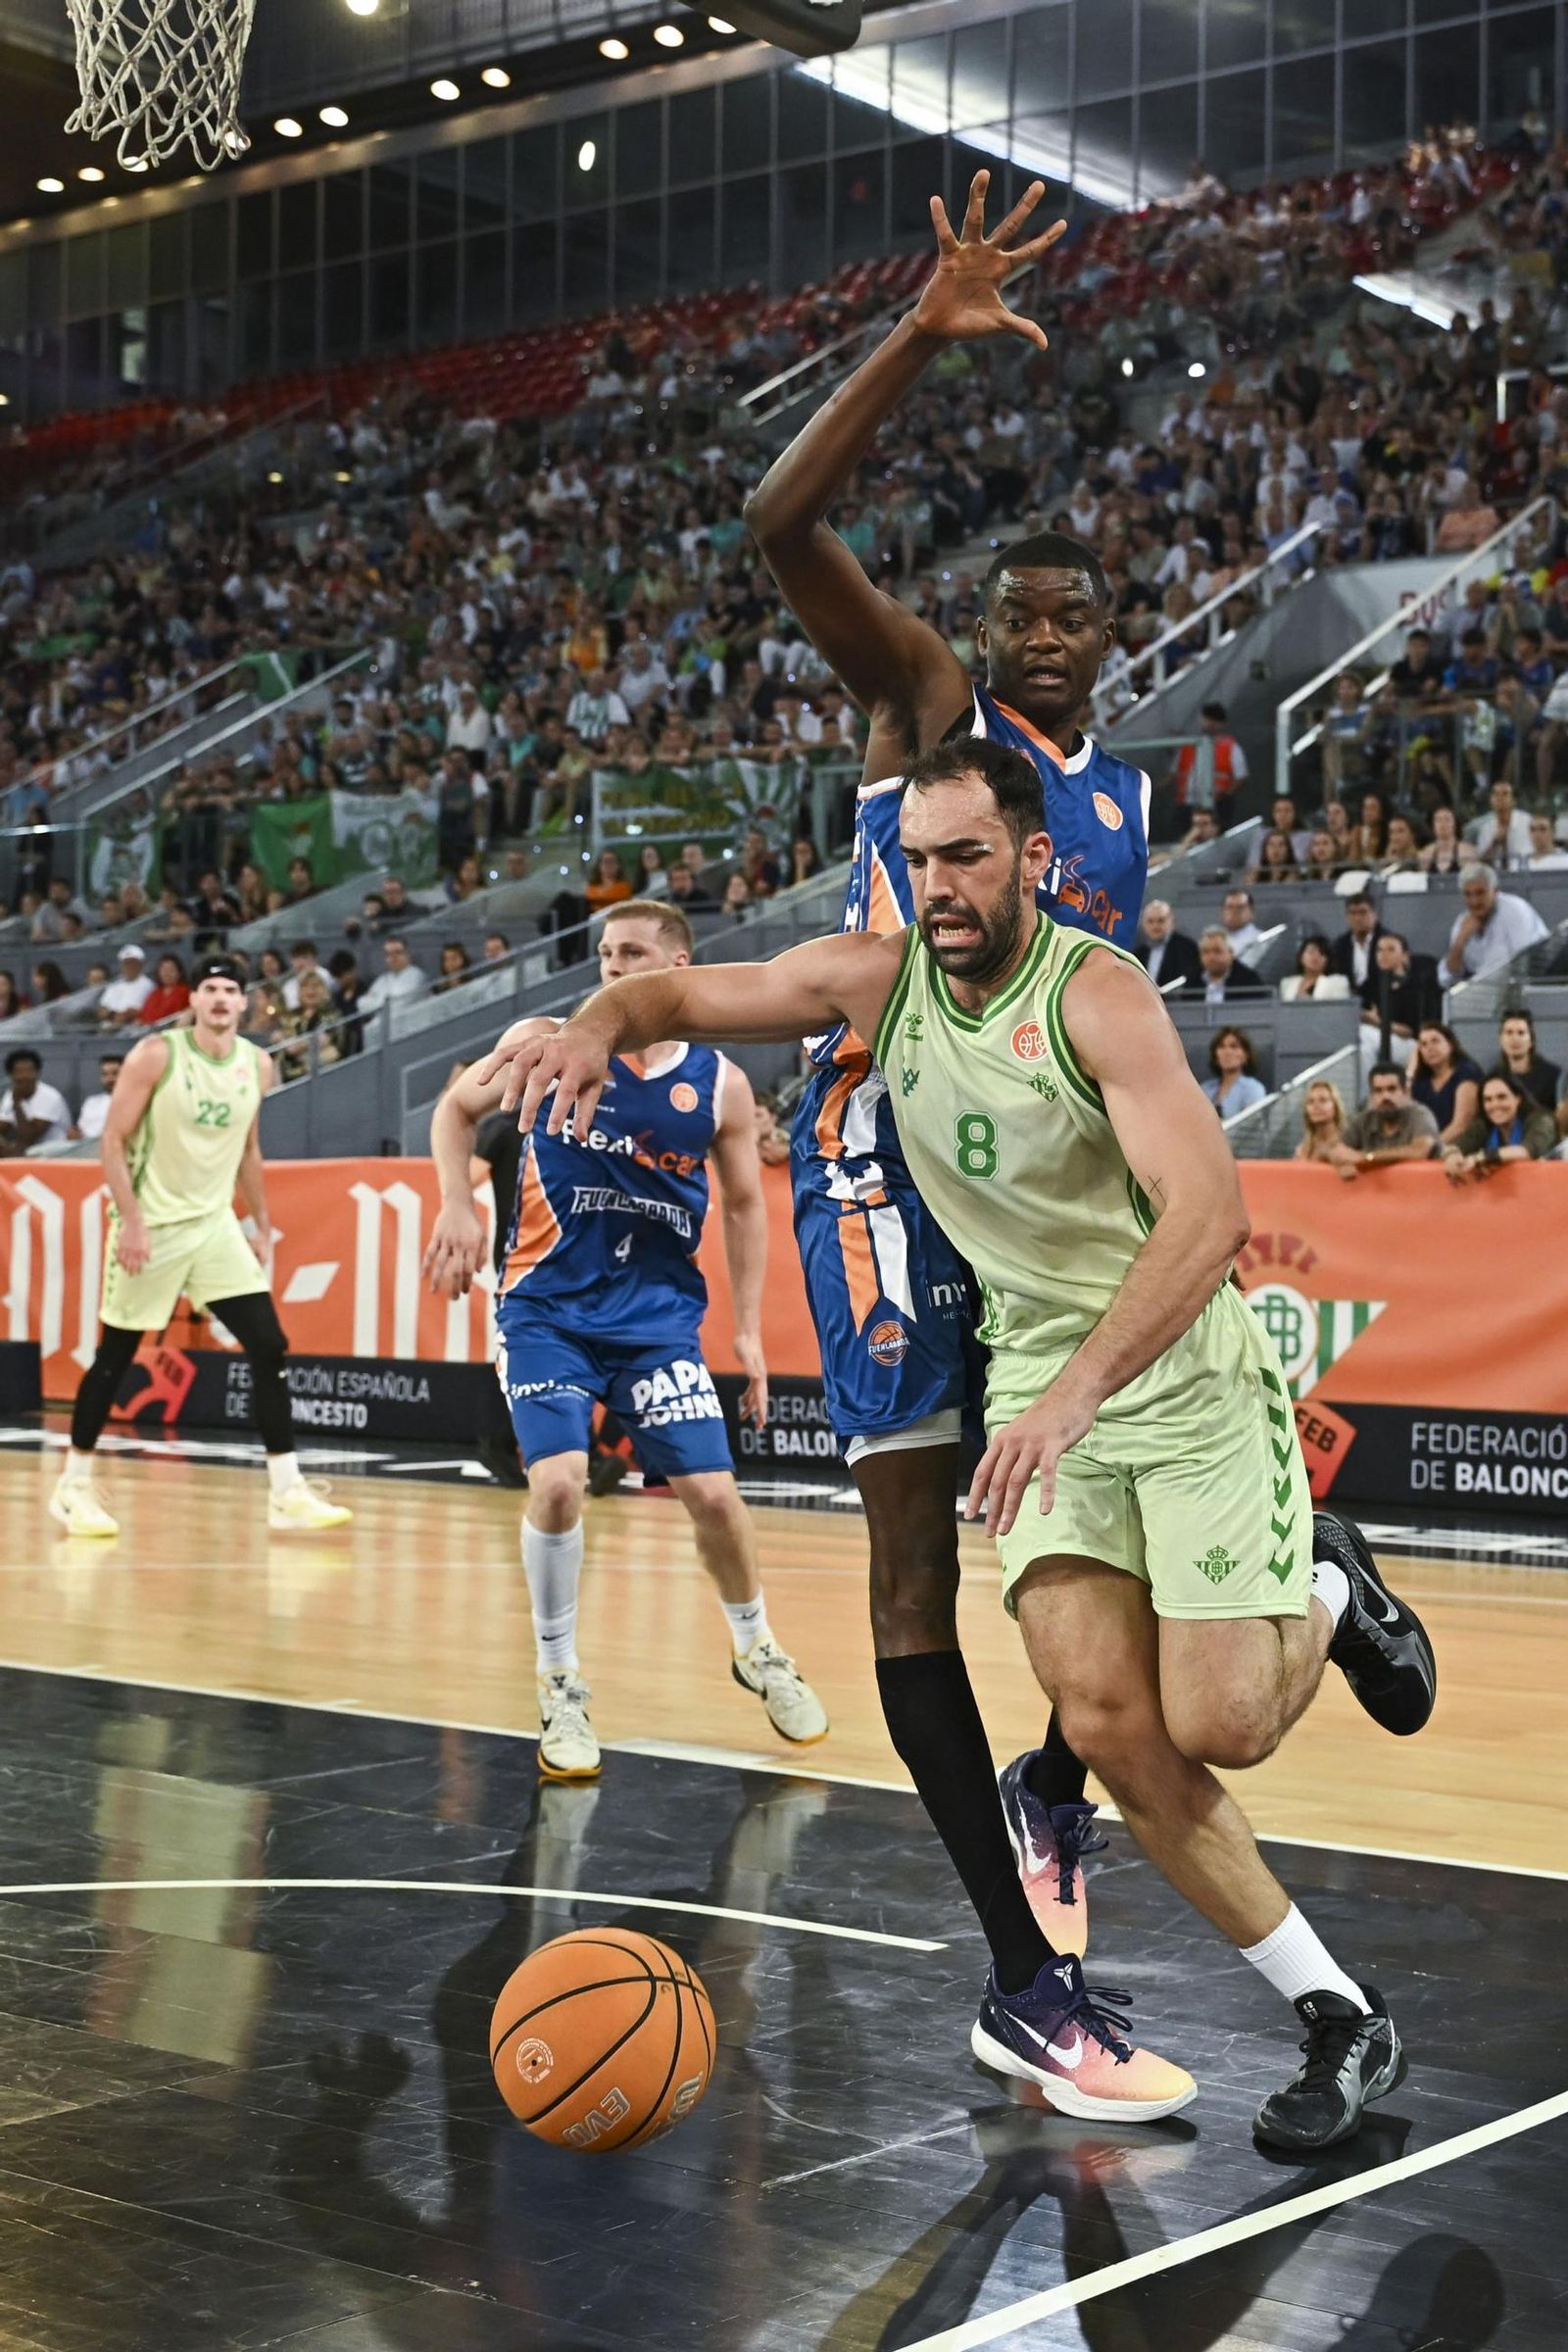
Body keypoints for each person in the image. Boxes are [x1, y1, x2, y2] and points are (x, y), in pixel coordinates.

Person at [491, 734, 1436, 2147]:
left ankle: (1326, 1585)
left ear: (1032, 859)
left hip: (1173, 1370)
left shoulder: (1097, 995)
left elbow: (1212, 1217)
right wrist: (597, 1026)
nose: (937, 885)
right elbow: (682, 989)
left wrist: (1077, 1390)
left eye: (967, 857)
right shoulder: (877, 979)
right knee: (1107, 1724)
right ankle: (1340, 2016)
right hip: (1043, 1383)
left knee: (1221, 1725)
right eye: (919, 859)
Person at [741, 172, 1153, 2009]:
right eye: (1020, 614)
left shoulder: (1119, 797)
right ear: (988, 624)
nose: (1041, 638)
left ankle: (1056, 1781)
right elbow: (778, 523)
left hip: (1026, 1171)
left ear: (1111, 632)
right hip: (882, 1157)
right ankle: (1018, 1977)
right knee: (916, 1562)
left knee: (1138, 1466)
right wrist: (921, 331)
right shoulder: (930, 708)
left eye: (1072, 617)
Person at [422, 900, 827, 1779]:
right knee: (559, 1483)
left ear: (678, 968)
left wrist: (748, 1331)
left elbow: (747, 1204)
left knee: (714, 1497)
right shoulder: (543, 1040)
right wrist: (457, 1201)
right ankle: (559, 1679)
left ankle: (757, 1647)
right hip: (547, 1310)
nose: (612, 969)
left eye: (633, 954)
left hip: (655, 1323)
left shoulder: (718, 1083)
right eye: (606, 954)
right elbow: (454, 1112)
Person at [48, 956, 353, 1540]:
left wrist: (261, 1223)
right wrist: (131, 1221)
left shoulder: (257, 1064)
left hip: (214, 1226)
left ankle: (287, 1491)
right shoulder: (157, 1055)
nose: (218, 997)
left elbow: (249, 1149)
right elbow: (112, 1140)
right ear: (192, 1000)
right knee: (117, 1355)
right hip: (153, 1225)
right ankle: (73, 1484)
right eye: (208, 987)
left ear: (244, 1002)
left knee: (268, 1342)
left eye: (229, 989)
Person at [1324, 1062, 1440, 1182]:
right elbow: (1332, 1148)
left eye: (1392, 1089)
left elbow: (1420, 1150)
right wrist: (1340, 1162)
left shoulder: (1420, 1115)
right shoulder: (1365, 1119)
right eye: (1378, 1090)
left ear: (1405, 1092)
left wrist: (1366, 1157)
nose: (1385, 1096)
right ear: (1372, 1095)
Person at [1443, 1071, 1557, 1180]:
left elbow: (1526, 1152)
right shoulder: (1483, 1125)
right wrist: (1452, 1155)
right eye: (1488, 1099)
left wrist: (1482, 1157)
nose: (1495, 1105)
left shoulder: (1542, 1120)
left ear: (1518, 1099)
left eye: (1502, 1097)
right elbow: (1455, 1147)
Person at [1407, 1021, 1483, 1148]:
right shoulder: (1421, 1081)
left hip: (1459, 1147)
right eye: (1424, 1044)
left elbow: (1461, 1125)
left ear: (1450, 1044)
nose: (1430, 1048)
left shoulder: (1467, 1072)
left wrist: (1429, 1148)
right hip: (1427, 1147)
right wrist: (1410, 1073)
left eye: (1435, 1041)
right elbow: (1404, 1114)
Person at [0, 1048, 75, 1152]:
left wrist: (17, 1103)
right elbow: (3, 1126)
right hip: (30, 1151)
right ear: (11, 1075)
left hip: (56, 1151)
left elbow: (29, 1137)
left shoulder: (49, 1096)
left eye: (29, 1071)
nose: (24, 1076)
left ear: (37, 1073)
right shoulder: (10, 1095)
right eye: (19, 1071)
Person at [1493, 1007, 1560, 1109]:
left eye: (1521, 1033)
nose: (1515, 1038)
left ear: (1531, 1040)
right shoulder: (1493, 1077)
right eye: (1509, 1033)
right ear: (1501, 1040)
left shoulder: (1553, 1077)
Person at [1133, 900, 1201, 992]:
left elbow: (1189, 978)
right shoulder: (1138, 953)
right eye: (1150, 921)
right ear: (1143, 924)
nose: (1155, 926)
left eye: (1161, 921)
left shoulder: (1187, 948)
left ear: (1172, 921)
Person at [1203, 1027, 1267, 1119]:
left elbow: (1252, 1124)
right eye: (1221, 1046)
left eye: (1234, 1046)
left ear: (1246, 1055)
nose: (1227, 1052)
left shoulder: (1253, 1089)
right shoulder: (1205, 1088)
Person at [1189, 928, 1265, 1001]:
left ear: (1231, 953)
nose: (1211, 957)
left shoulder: (1249, 982)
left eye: (1217, 951)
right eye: (1205, 952)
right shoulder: (1191, 983)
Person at [1328, 895, 1384, 992]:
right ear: (1347, 917)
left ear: (1375, 914)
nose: (1358, 918)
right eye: (1353, 913)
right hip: (1348, 997)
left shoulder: (1388, 941)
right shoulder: (1340, 945)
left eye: (1363, 912)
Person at [98, 943, 155, 1029]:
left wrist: (121, 1016)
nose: (128, 966)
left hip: (132, 1029)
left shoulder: (148, 985)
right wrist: (111, 1015)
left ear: (140, 964)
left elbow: (136, 1012)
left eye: (132, 963)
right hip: (107, 1028)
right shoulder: (114, 985)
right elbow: (102, 1010)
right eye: (125, 963)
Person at [1279, 937, 1349, 1003]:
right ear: (1301, 957)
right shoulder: (1287, 983)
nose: (1315, 957)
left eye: (1321, 953)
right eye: (1311, 952)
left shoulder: (1337, 983)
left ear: (1328, 960)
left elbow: (1340, 1010)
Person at [76, 1052, 125, 1143]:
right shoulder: (91, 1102)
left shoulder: (134, 1102)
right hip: (86, 1146)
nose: (109, 1079)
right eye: (105, 1074)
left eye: (115, 1073)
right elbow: (80, 1131)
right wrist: (75, 1134)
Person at [1296, 1079, 1348, 1162]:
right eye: (1310, 1102)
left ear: (1335, 1106)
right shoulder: (1302, 1150)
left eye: (1323, 1100)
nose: (1316, 1106)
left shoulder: (1349, 1143)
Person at [140, 953, 191, 1027]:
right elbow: (144, 1017)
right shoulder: (154, 994)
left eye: (171, 970)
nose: (167, 973)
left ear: (179, 973)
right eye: (164, 970)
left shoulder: (185, 991)